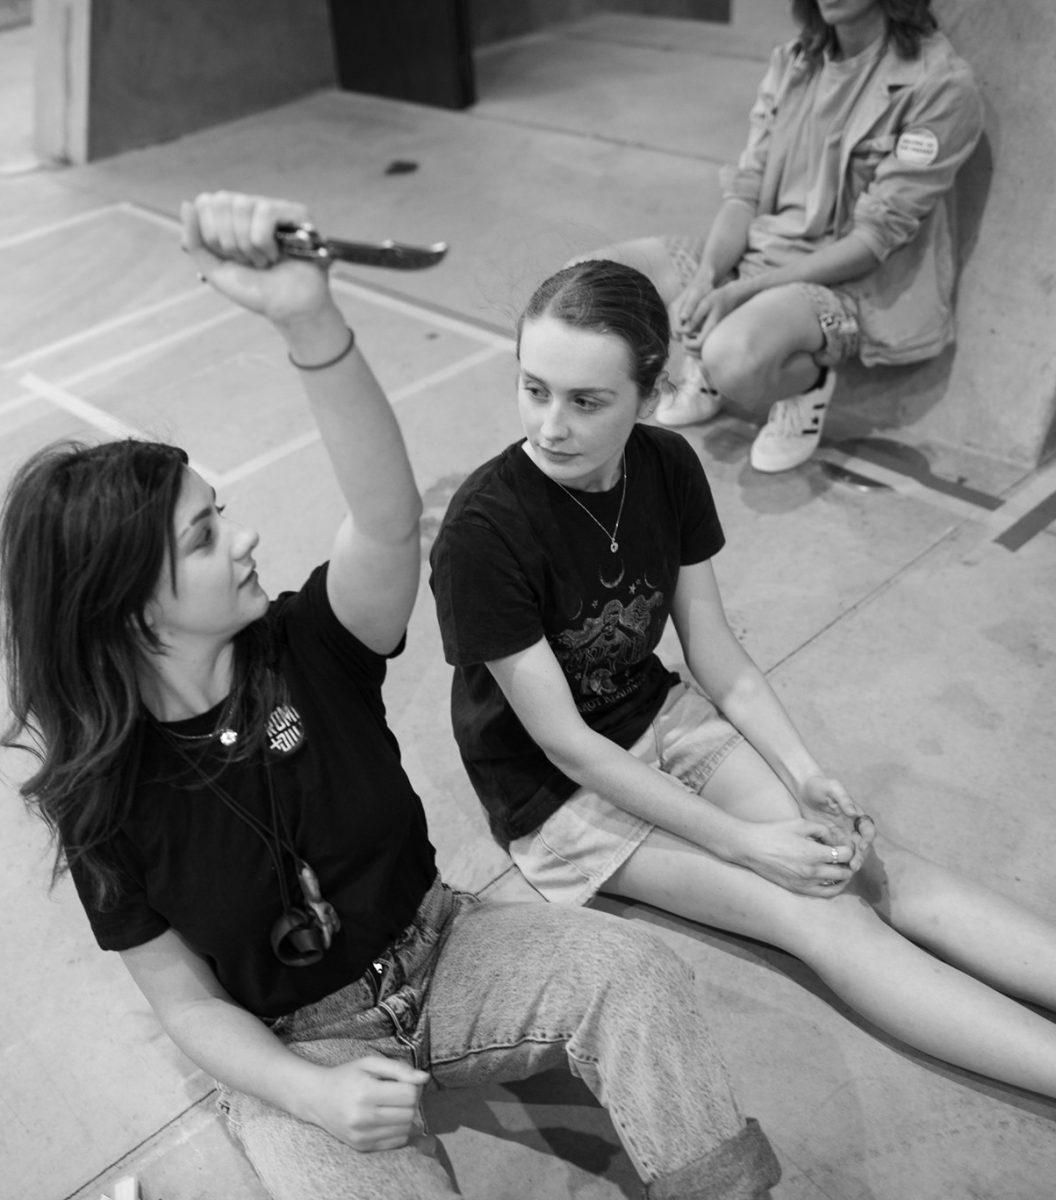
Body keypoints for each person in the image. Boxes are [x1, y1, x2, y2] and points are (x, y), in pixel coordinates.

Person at [0, 192, 781, 1200]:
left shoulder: (310, 645)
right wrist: (307, 1097)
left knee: (636, 973)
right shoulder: (98, 797)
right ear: (126, 610)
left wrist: (307, 319)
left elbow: (389, 518)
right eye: (203, 536)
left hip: (445, 945)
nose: (246, 540)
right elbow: (188, 1009)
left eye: (222, 513)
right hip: (295, 1047)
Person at [429, 256, 1056, 1098]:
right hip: (557, 794)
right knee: (811, 908)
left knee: (864, 860)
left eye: (587, 401)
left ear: (649, 398)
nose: (550, 425)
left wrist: (806, 775)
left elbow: (716, 651)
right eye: (533, 388)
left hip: (655, 715)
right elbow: (567, 745)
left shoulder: (665, 466)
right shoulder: (482, 534)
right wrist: (749, 843)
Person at [574, 0, 983, 472]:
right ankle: (711, 353)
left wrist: (741, 292)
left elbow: (874, 240)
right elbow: (745, 191)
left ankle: (803, 387)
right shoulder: (794, 60)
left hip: (842, 286)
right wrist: (708, 278)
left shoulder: (940, 84)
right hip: (756, 252)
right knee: (587, 283)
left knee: (732, 358)